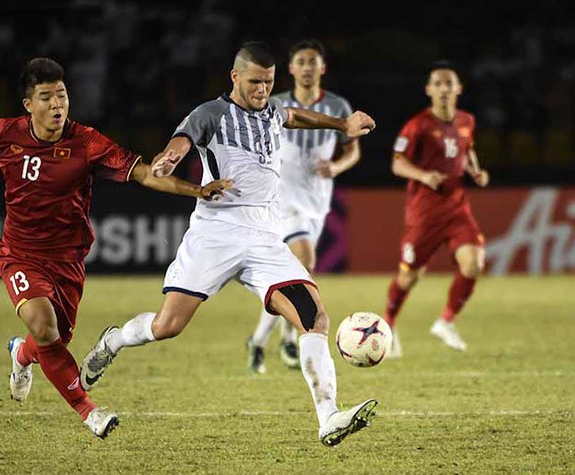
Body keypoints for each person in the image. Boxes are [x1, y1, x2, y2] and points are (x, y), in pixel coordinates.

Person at [79, 41, 378, 447]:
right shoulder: (211, 114)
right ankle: (113, 341)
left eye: (269, 82)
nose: (261, 90)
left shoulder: (272, 110)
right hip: (215, 235)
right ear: (235, 76)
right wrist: (168, 158)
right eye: (254, 81)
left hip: (265, 238)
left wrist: (341, 126)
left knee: (314, 316)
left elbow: (293, 116)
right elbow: (181, 143)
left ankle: (328, 417)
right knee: (168, 326)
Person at [0, 57, 232, 441]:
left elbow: (145, 173)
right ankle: (89, 411)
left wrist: (197, 190)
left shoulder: (87, 143)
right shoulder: (4, 133)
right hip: (20, 253)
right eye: (46, 97)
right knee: (44, 325)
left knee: (53, 338)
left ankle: (20, 355)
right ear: (28, 105)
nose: (57, 105)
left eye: (62, 95)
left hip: (68, 261)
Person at [246, 39, 361, 374]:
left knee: (294, 275)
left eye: (314, 61)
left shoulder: (338, 106)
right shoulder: (275, 104)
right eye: (301, 61)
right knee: (304, 262)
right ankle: (290, 338)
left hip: (316, 203)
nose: (308, 67)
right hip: (280, 200)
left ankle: (259, 341)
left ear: (322, 68)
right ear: (291, 68)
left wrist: (337, 167)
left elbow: (352, 150)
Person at [382, 60, 490, 358]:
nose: (444, 88)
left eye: (449, 83)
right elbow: (397, 163)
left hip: (457, 208)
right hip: (424, 213)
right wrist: (423, 175)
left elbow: (466, 150)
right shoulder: (417, 126)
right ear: (429, 90)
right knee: (409, 277)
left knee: (474, 263)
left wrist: (476, 170)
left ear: (458, 88)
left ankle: (445, 322)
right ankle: (389, 326)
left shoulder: (467, 120)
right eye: (438, 84)